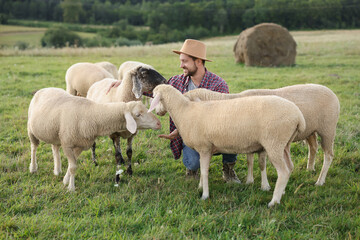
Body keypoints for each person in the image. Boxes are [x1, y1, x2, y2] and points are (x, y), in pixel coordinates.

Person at [158, 39, 240, 183]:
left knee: (235, 132)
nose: (180, 65)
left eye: (185, 61)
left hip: (217, 132)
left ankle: (228, 169)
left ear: (198, 62)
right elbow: (157, 91)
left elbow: (225, 115)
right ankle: (192, 169)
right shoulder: (175, 82)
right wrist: (124, 84)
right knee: (193, 162)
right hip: (191, 135)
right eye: (180, 61)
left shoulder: (218, 84)